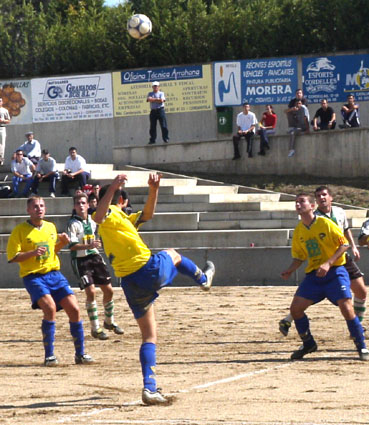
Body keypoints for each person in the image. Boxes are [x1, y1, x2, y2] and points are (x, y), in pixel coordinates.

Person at [93, 173, 215, 405]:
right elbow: (100, 214)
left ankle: (149, 388)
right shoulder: (109, 214)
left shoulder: (122, 220)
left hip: (129, 282)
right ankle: (202, 279)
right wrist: (114, 188)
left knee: (149, 334)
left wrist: (153, 190)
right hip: (145, 269)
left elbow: (147, 215)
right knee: (173, 253)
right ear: (121, 201)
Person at [6, 196, 93, 366]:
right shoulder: (19, 231)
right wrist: (32, 253)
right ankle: (49, 356)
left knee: (74, 309)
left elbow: (53, 251)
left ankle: (80, 354)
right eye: (35, 207)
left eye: (42, 206)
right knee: (50, 308)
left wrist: (62, 243)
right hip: (33, 276)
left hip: (54, 274)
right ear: (28, 210)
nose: (39, 209)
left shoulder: (51, 227)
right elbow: (13, 257)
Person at [280, 193, 368, 361]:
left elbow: (344, 244)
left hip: (335, 272)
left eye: (302, 202)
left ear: (312, 206)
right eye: (296, 202)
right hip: (314, 276)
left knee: (347, 308)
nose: (298, 205)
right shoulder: (299, 230)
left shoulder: (325, 223)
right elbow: (299, 257)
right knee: (296, 309)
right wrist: (290, 270)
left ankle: (361, 346)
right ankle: (308, 344)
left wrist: (328, 263)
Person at [67, 193, 124, 341]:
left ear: (88, 205)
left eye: (83, 203)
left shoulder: (93, 221)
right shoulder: (73, 223)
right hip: (81, 260)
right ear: (74, 206)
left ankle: (109, 321)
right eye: (78, 203)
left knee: (109, 290)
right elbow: (72, 246)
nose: (81, 205)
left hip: (95, 257)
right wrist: (89, 245)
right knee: (91, 292)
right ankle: (95, 327)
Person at [0, 97, 11, 166]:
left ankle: (1, 159)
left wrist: (3, 121)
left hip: (2, 128)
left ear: (2, 102)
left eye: (0, 101)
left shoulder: (4, 110)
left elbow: (8, 120)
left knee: (2, 144)